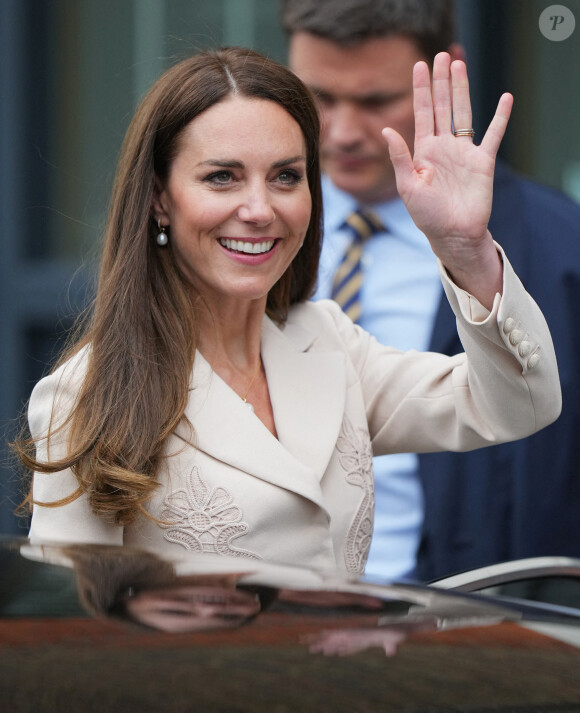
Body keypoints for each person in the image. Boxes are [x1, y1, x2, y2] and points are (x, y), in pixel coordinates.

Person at [14, 46, 560, 578]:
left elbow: (519, 403)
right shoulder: (84, 394)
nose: (260, 209)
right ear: (159, 196)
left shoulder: (327, 342)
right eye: (221, 177)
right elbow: (76, 640)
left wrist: (464, 247)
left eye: (286, 177)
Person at [282, 0, 580, 581]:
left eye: (375, 101)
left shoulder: (559, 250)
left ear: (450, 74)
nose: (343, 132)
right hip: (269, 627)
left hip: (476, 628)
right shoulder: (240, 237)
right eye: (318, 96)